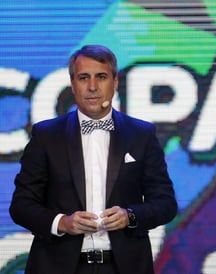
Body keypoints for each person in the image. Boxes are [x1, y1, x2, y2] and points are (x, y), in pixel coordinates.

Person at [9, 45, 177, 274]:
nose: (92, 87)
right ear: (72, 83)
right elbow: (21, 205)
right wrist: (62, 223)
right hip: (59, 266)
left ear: (115, 82)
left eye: (101, 77)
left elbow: (166, 204)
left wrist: (130, 216)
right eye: (83, 77)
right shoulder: (46, 135)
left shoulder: (141, 134)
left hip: (124, 267)